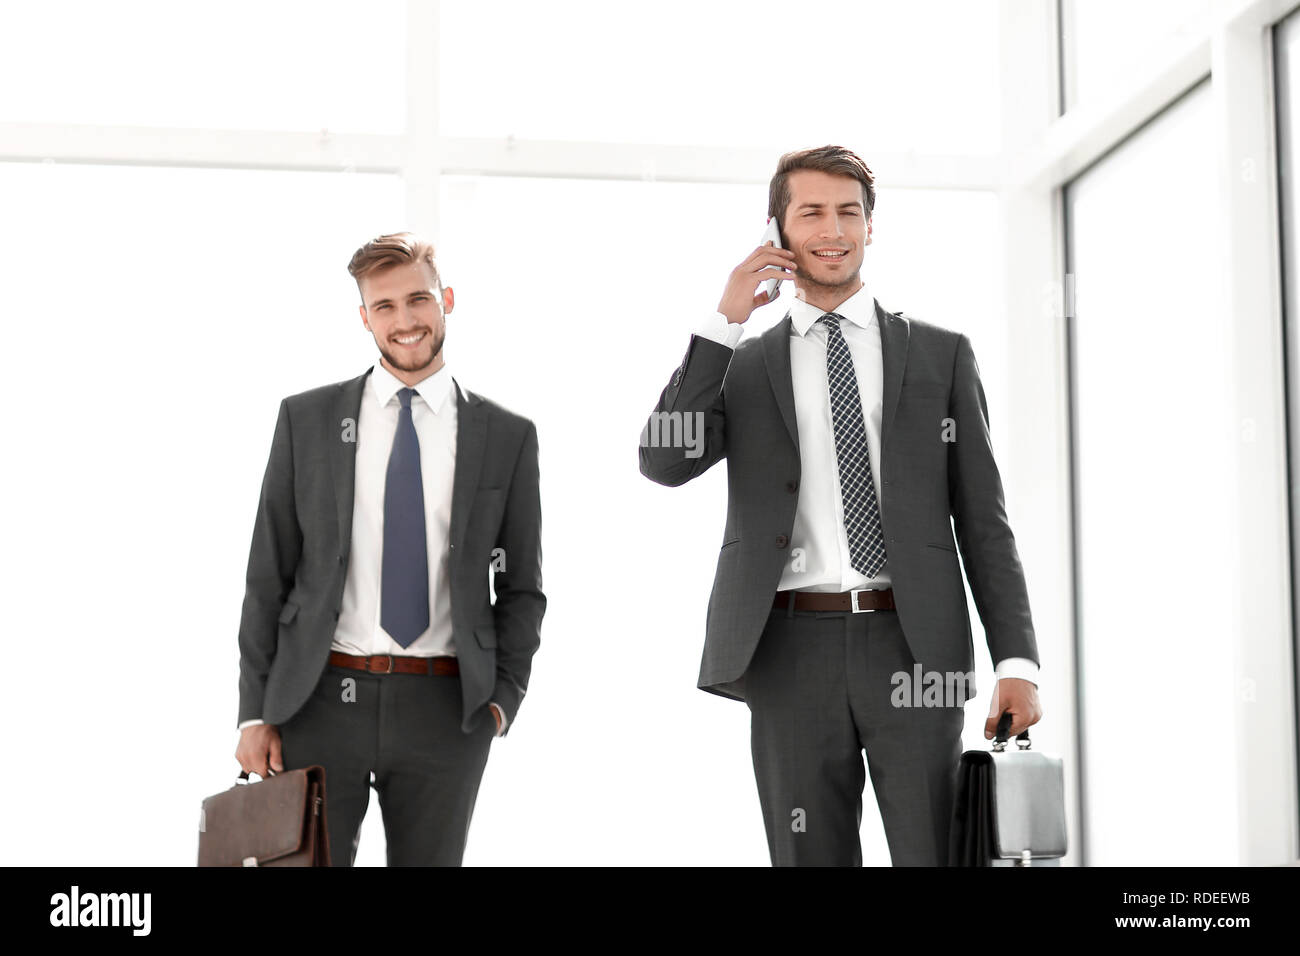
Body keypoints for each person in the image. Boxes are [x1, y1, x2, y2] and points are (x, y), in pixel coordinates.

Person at [639, 145, 1042, 866]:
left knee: (937, 853)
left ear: (870, 227)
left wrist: (1017, 660)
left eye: (849, 213)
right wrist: (724, 320)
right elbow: (664, 461)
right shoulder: (742, 365)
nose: (833, 230)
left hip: (915, 648)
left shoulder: (942, 354)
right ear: (777, 229)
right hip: (787, 651)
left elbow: (986, 522)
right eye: (812, 213)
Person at [234, 231, 545, 866]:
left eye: (418, 300)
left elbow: (522, 587)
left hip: (446, 709)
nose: (405, 321)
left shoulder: (507, 435)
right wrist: (252, 714)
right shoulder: (307, 420)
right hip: (319, 700)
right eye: (385, 306)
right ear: (364, 317)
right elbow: (268, 572)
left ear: (446, 300)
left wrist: (501, 702)